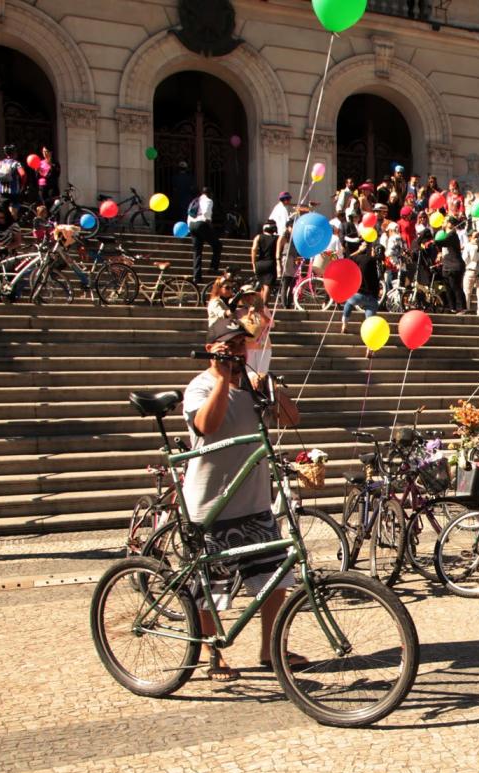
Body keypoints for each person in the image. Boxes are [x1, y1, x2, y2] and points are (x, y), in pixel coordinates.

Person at [183, 317, 302, 681]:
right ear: (212, 349)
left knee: (275, 581)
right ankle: (211, 653)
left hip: (252, 502)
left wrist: (270, 386)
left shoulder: (253, 387)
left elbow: (291, 419)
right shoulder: (200, 386)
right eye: (229, 346)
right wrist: (222, 379)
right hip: (211, 504)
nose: (237, 352)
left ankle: (270, 649)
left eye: (241, 346)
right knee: (212, 588)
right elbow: (208, 426)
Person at [342, 237, 382, 331]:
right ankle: (370, 341)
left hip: (358, 294)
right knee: (370, 320)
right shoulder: (376, 261)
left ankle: (345, 324)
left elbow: (348, 259)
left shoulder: (360, 258)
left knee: (349, 303)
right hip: (372, 297)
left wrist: (359, 250)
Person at [188, 186, 221, 285]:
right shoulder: (208, 201)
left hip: (191, 225)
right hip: (201, 224)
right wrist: (209, 223)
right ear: (209, 194)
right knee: (217, 245)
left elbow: (189, 213)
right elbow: (206, 213)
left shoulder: (195, 200)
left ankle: (197, 277)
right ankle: (213, 267)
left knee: (197, 252)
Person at [439, 217, 467, 313]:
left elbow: (441, 242)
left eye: (445, 221)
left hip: (454, 266)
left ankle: (462, 307)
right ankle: (452, 308)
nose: (443, 222)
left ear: (450, 224)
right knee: (448, 289)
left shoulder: (452, 235)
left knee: (456, 287)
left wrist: (432, 242)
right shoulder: (445, 234)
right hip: (447, 265)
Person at [0, 144, 25, 208]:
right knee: (14, 211)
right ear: (14, 153)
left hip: (2, 191)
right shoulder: (16, 163)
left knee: (4, 210)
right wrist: (22, 186)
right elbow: (23, 174)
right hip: (14, 191)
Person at [250, 222, 279, 303]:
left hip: (259, 263)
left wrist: (253, 263)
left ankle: (260, 304)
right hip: (270, 263)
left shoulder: (258, 237)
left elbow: (254, 249)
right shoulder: (276, 239)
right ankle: (264, 305)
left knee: (262, 285)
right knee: (267, 286)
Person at [461, 227, 479, 315]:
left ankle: (466, 309)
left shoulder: (468, 246)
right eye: (475, 236)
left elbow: (464, 259)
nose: (477, 238)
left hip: (470, 270)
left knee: (467, 292)